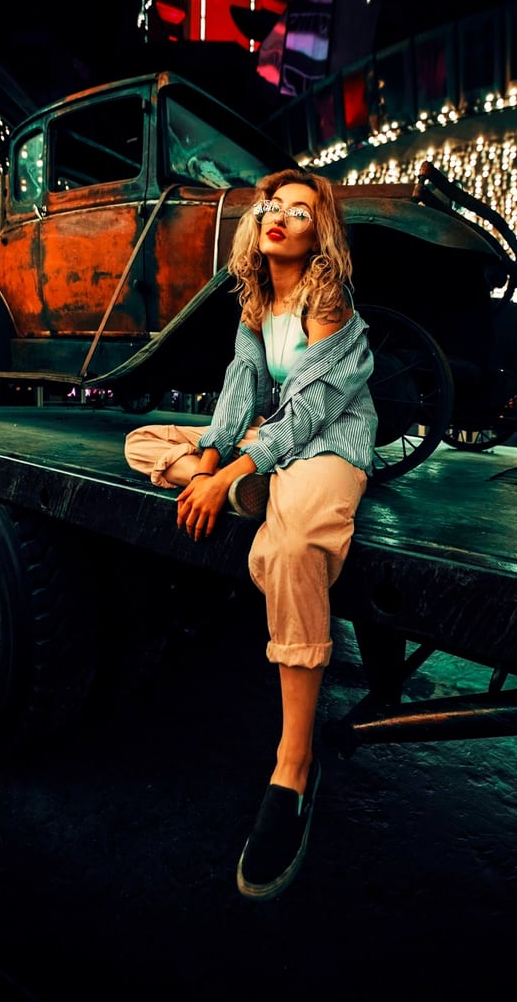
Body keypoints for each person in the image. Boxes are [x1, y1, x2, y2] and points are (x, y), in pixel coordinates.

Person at [124, 168, 378, 901]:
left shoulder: (331, 303)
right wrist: (209, 460)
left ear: (316, 233)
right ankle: (242, 489)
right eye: (272, 205)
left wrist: (230, 465)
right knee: (142, 441)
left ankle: (294, 762)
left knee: (290, 548)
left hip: (327, 443)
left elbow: (305, 417)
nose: (280, 217)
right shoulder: (256, 298)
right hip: (267, 444)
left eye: (299, 212)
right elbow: (241, 388)